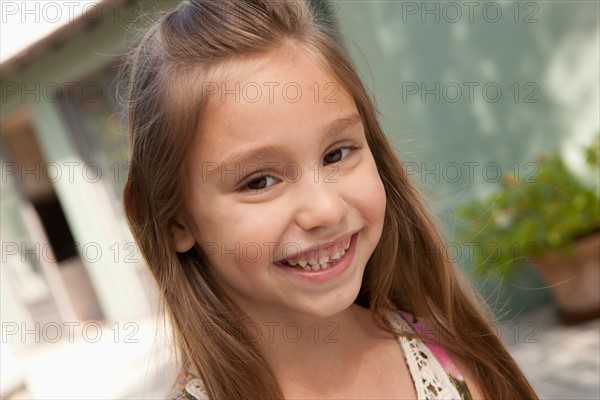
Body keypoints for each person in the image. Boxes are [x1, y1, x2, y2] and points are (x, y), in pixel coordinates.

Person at [121, 0, 538, 399]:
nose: (326, 209)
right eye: (259, 181)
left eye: (337, 154)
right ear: (172, 219)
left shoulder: (450, 359)